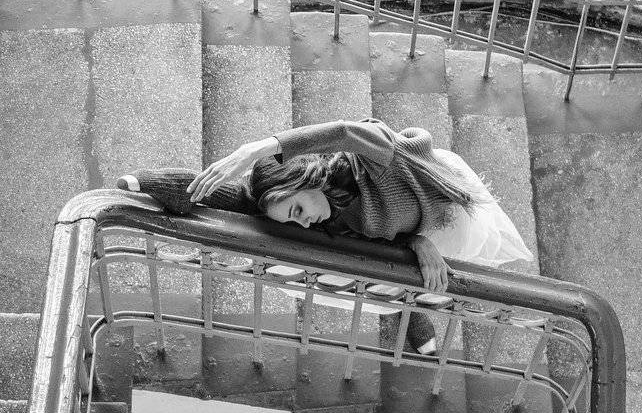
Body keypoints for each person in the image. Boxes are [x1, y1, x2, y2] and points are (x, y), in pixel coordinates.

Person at [118, 118, 533, 351]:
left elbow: (345, 131)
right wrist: (152, 183)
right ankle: (406, 310)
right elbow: (239, 200)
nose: (303, 223)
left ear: (307, 178)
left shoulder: (382, 159)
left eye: (298, 210)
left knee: (442, 274)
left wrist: (255, 150)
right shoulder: (321, 214)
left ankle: (411, 309)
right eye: (293, 219)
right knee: (384, 276)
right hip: (405, 237)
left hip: (446, 215)